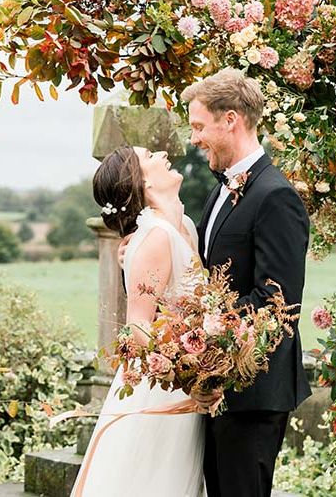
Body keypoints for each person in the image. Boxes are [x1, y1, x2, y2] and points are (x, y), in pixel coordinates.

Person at [181, 68, 312, 497]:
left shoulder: (275, 196)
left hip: (254, 389)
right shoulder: (219, 190)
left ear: (231, 118)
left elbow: (277, 299)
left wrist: (203, 338)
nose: (195, 138)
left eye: (199, 126)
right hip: (220, 385)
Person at [71, 145, 205, 497]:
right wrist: (186, 369)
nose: (162, 153)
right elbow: (138, 326)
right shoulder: (154, 237)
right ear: (142, 182)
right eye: (150, 156)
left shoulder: (183, 227)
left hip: (186, 388)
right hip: (162, 388)